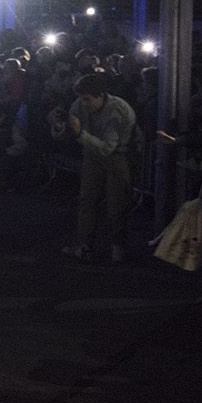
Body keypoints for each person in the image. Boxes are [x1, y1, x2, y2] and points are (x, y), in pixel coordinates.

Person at [56, 71, 137, 262]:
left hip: (117, 156)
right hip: (92, 154)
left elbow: (108, 148)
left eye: (87, 100)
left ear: (101, 96)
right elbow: (69, 127)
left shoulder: (116, 111)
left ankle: (118, 247)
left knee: (116, 203)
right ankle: (85, 246)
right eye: (82, 100)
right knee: (86, 200)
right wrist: (58, 125)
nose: (84, 104)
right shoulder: (80, 104)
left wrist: (78, 134)